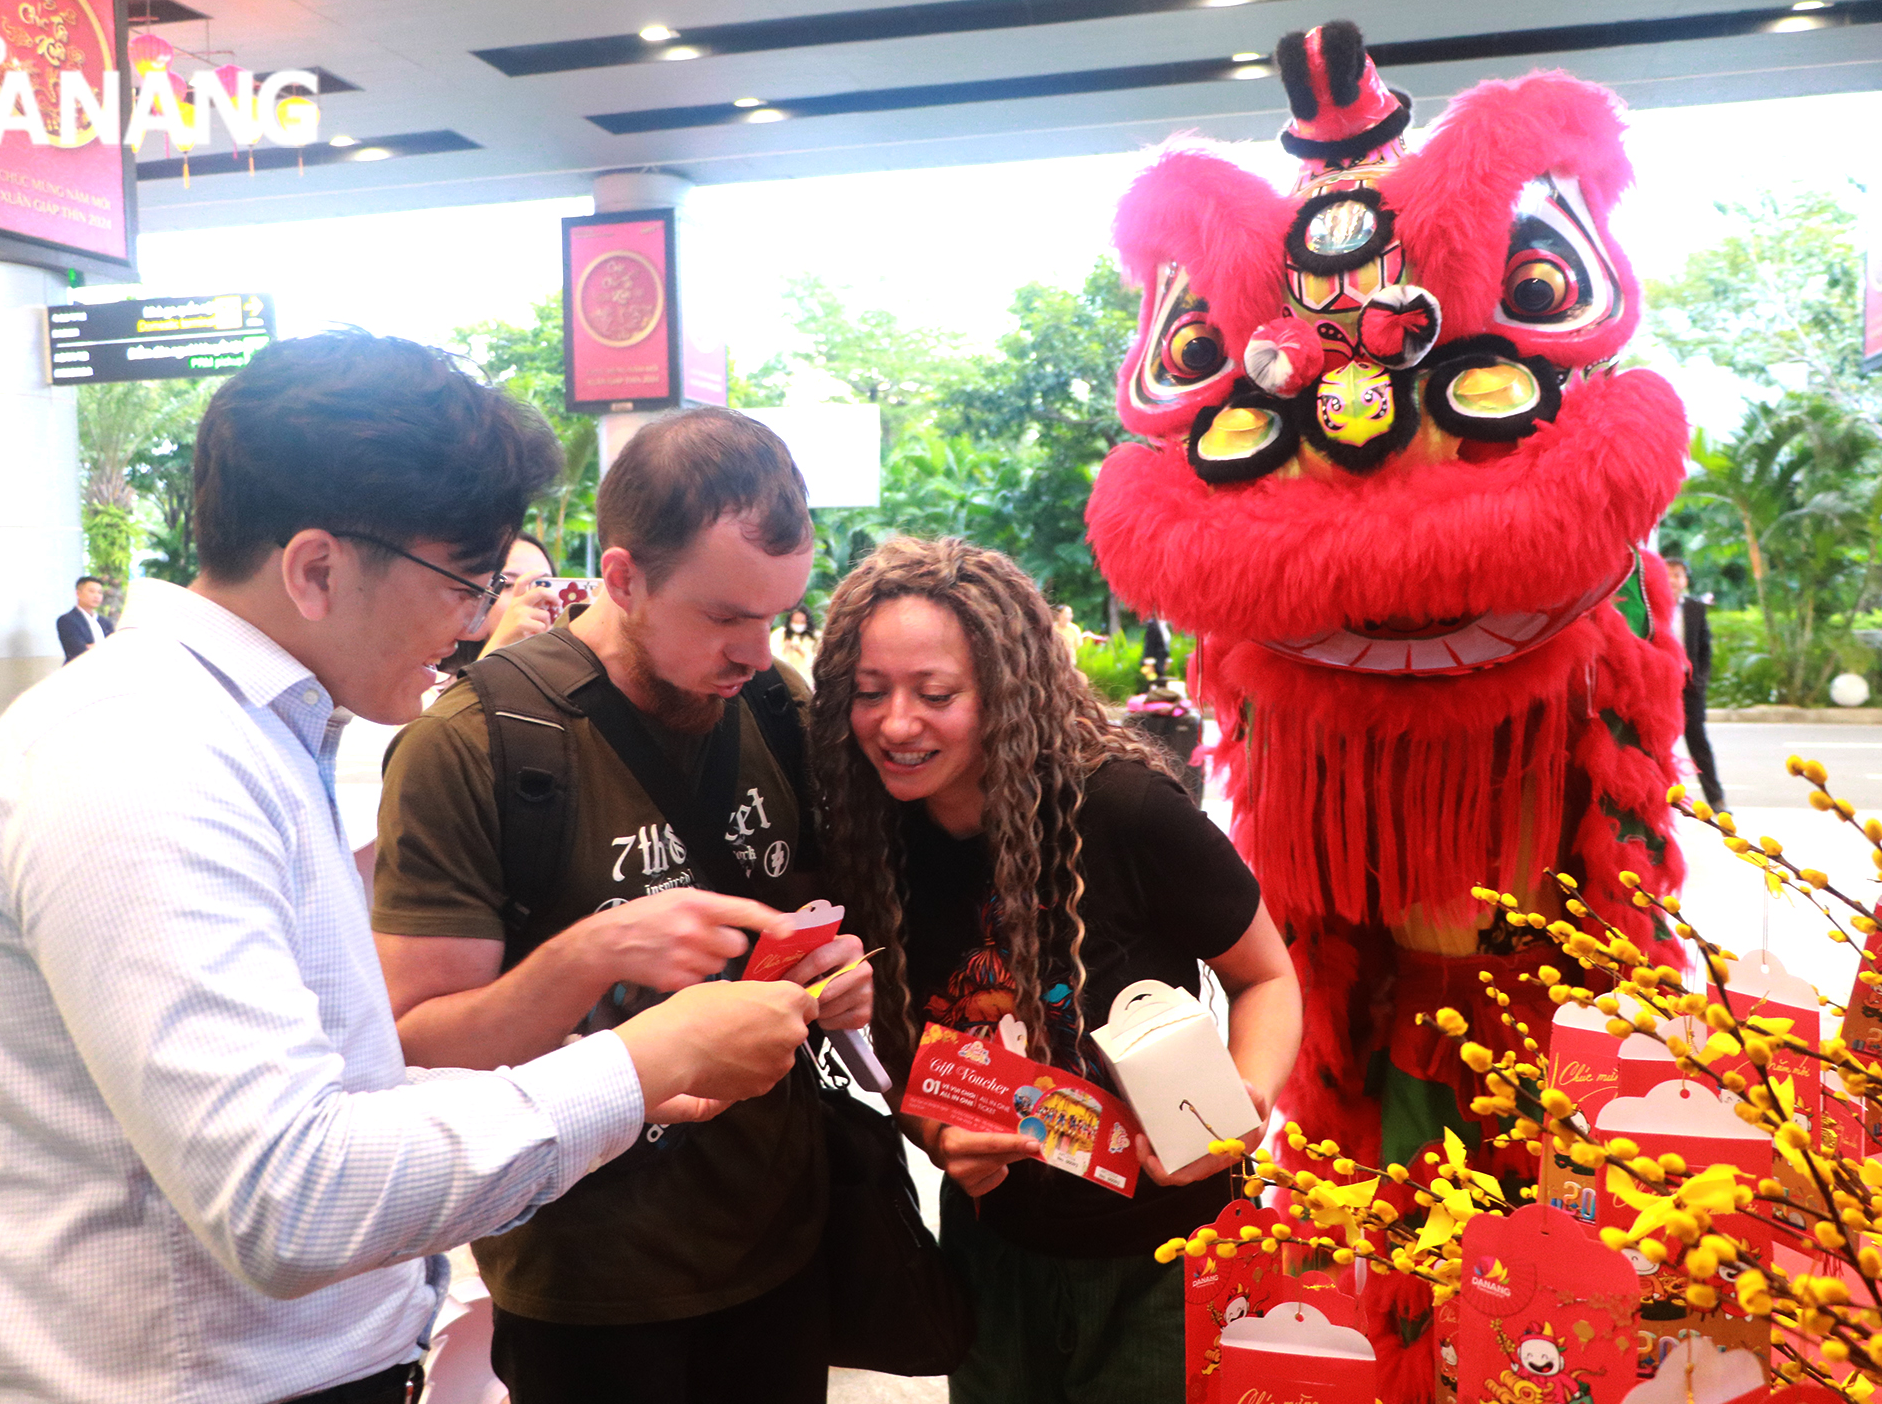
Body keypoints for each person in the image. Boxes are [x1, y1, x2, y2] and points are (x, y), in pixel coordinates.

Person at [0, 332, 819, 1404]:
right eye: (467, 581)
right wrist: (630, 1067)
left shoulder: (253, 733)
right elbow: (285, 1195)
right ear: (315, 566)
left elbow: (336, 1087)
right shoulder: (142, 757)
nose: (477, 620)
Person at [371, 405, 873, 1404]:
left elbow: (813, 920)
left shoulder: (777, 705)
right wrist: (591, 950)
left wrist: (839, 979)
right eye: (724, 616)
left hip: (780, 1242)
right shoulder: (476, 746)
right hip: (586, 1280)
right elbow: (417, 1043)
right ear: (623, 577)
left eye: (773, 616)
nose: (753, 649)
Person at [810, 537, 1302, 1403]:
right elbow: (894, 1051)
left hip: (1169, 1252)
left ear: (1006, 691)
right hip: (993, 1251)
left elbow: (1267, 975)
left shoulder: (1124, 809)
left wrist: (1247, 1100)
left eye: (935, 695)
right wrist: (938, 1139)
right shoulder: (869, 835)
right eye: (868, 692)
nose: (895, 724)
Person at [439, 532, 560, 677]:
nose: (530, 597)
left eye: (543, 585)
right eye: (508, 585)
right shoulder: (429, 686)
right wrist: (501, 643)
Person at [1666, 557, 1725, 811]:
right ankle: (1658, 800)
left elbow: (1704, 649)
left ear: (1685, 580)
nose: (1672, 580)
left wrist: (1700, 680)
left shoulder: (1695, 609)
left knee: (1699, 744)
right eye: (1667, 574)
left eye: (1678, 575)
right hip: (1659, 688)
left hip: (1689, 688)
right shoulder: (1648, 607)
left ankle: (1717, 801)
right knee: (1657, 746)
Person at [56, 575, 115, 662]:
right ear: (78, 593)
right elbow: (78, 650)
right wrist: (104, 647)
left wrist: (92, 646)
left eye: (100, 592)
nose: (96, 596)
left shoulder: (105, 622)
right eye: (91, 591)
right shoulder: (67, 620)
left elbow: (114, 648)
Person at [772, 603, 819, 684]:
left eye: (802, 622)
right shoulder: (779, 634)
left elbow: (816, 661)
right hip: (784, 678)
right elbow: (774, 659)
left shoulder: (816, 636)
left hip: (807, 679)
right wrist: (786, 649)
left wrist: (802, 653)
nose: (798, 625)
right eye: (796, 621)